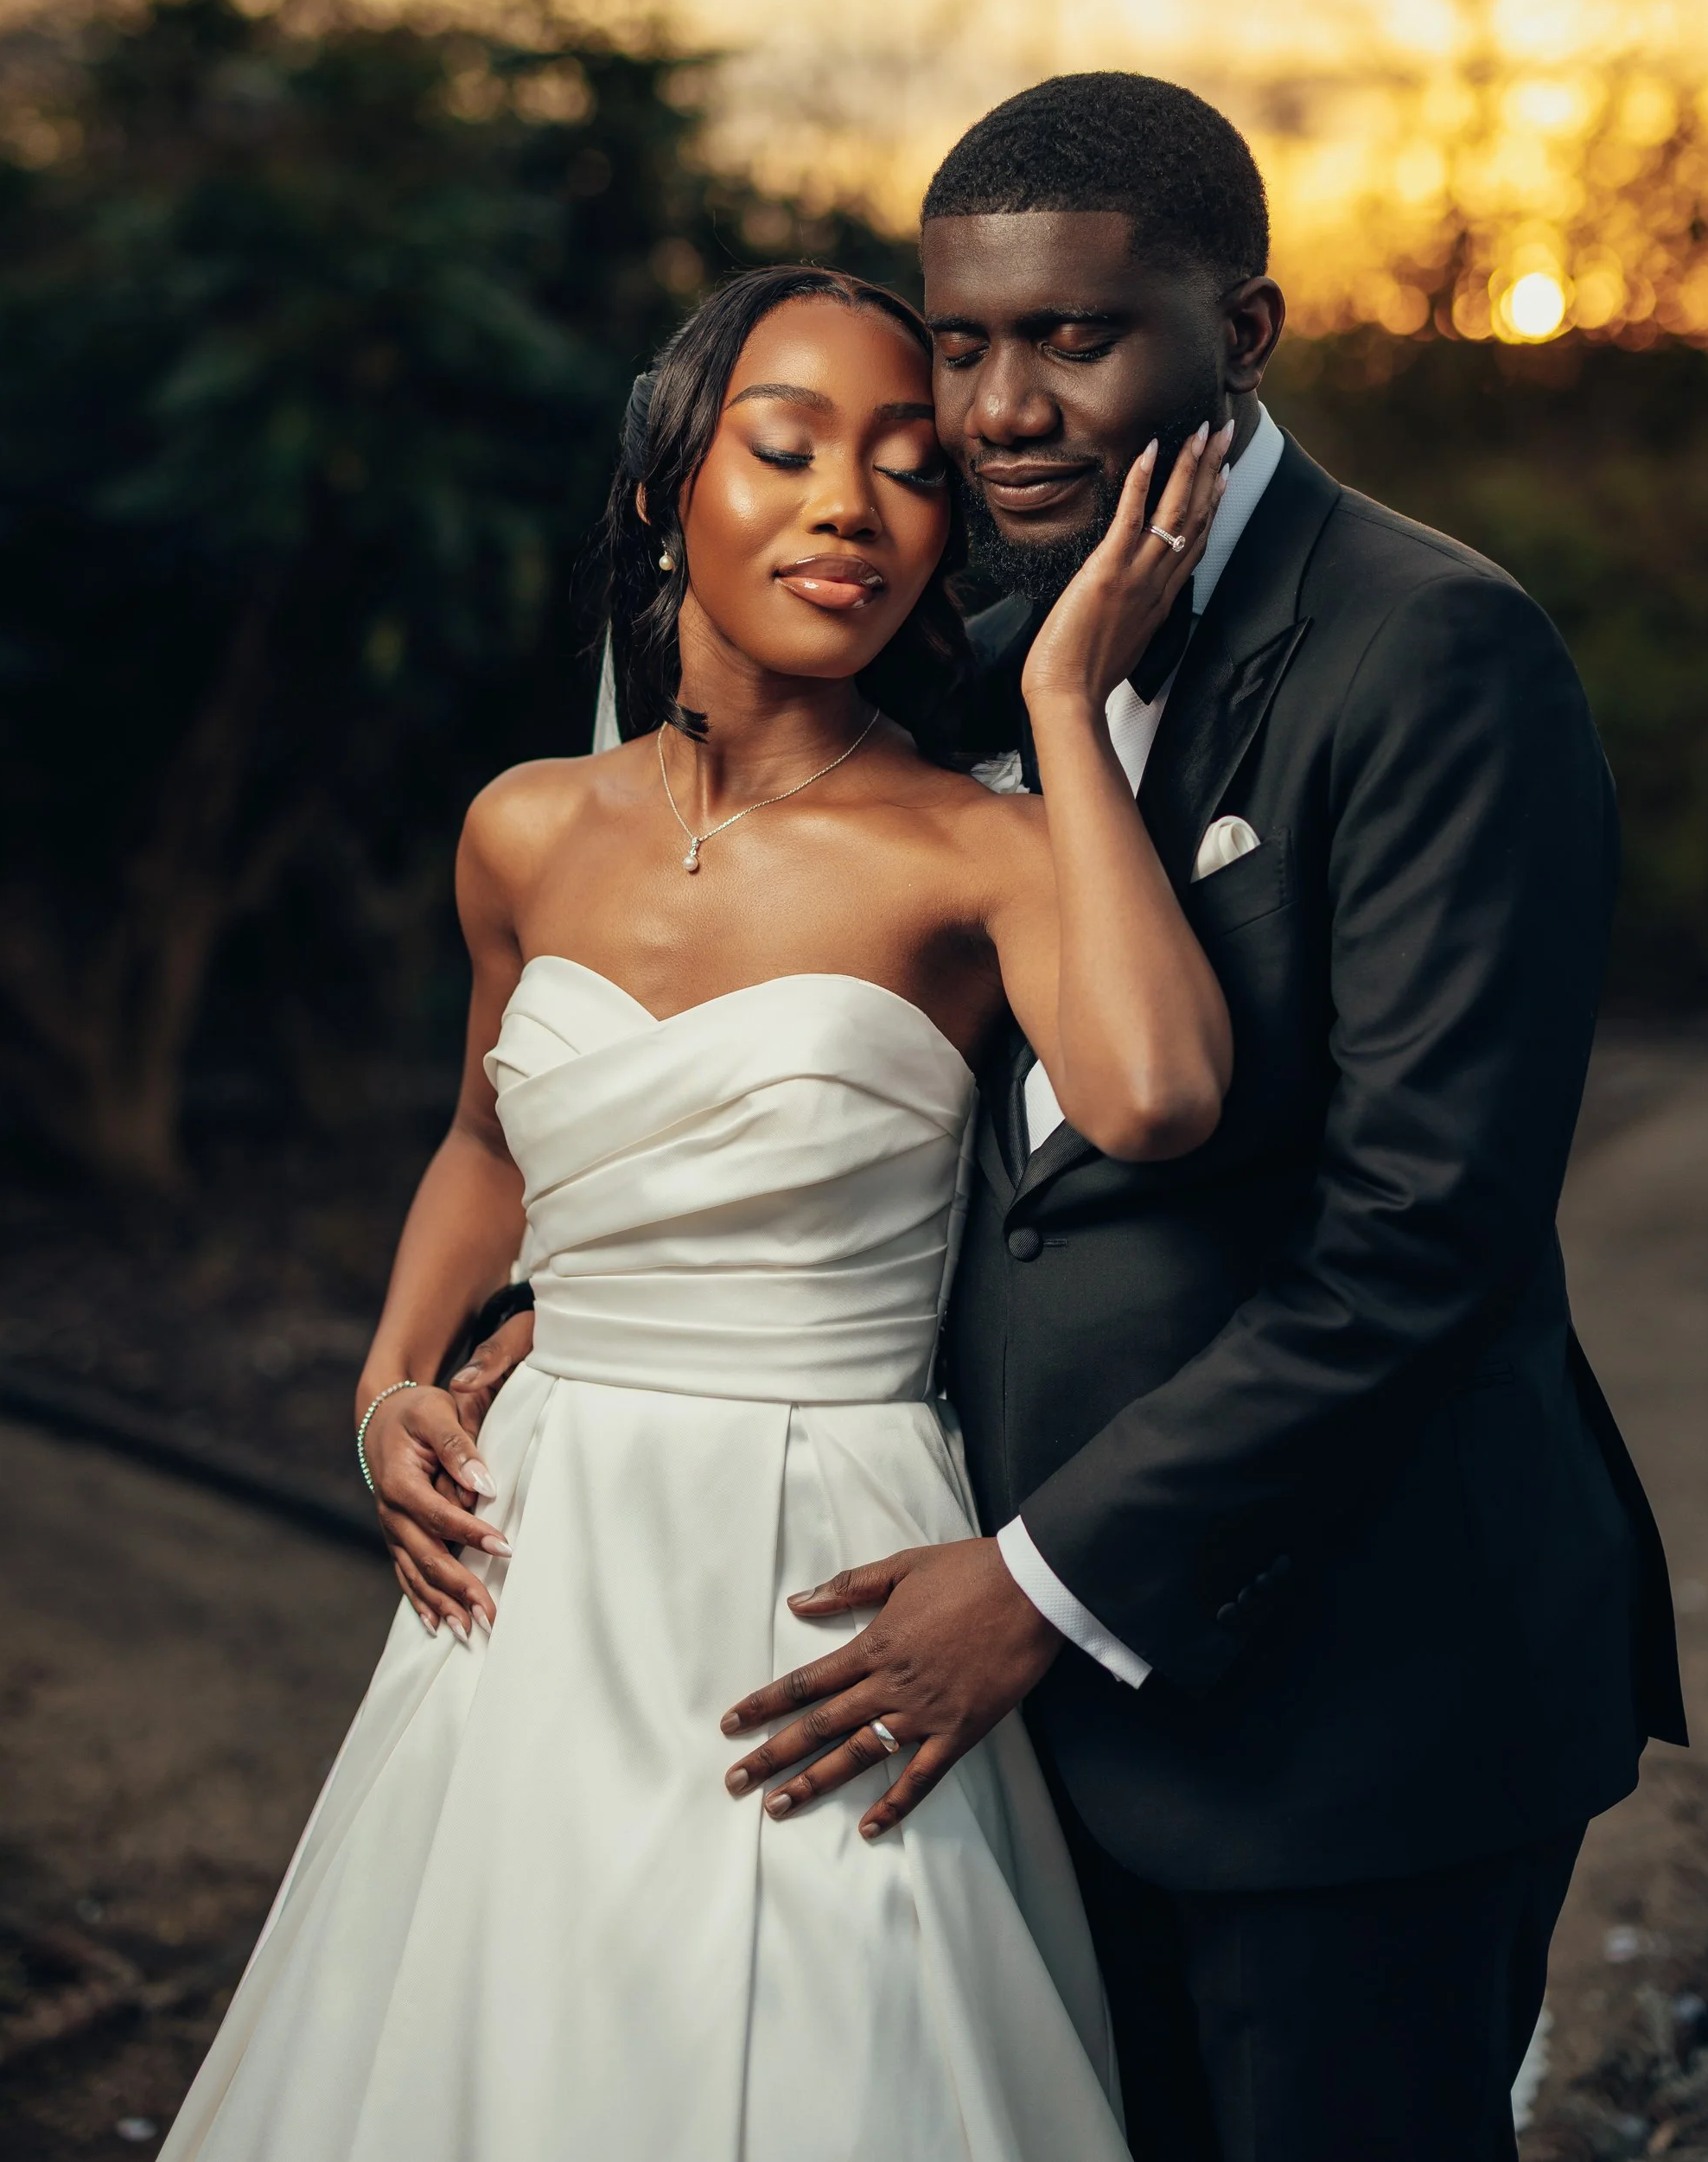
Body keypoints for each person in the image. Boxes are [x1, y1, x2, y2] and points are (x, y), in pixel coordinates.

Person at [444, 74, 1686, 2162]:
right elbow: (855, 1090)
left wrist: (1035, 1580)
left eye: (1076, 336)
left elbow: (1419, 1241)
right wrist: (589, 1306)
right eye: (963, 339)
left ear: (1244, 331)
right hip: (1000, 1733)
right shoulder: (994, 652)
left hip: (1338, 1701)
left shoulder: (1431, 655)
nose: (1001, 405)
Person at [160, 261, 1240, 2162]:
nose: (851, 503)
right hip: (536, 1544)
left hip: (817, 1567)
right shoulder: (523, 825)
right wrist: (389, 1382)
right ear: (670, 489)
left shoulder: (974, 842)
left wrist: (1063, 697)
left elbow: (1153, 1096)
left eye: (909, 468)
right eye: (787, 445)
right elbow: (488, 1142)